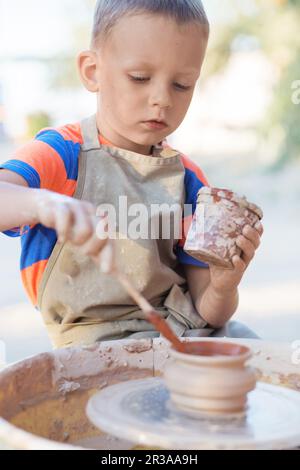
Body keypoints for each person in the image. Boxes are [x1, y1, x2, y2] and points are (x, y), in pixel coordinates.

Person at [0, 0, 263, 348]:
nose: (162, 98)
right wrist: (45, 204)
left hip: (183, 332)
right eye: (140, 78)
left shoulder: (187, 179)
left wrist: (224, 285)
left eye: (182, 84)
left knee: (254, 350)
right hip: (94, 344)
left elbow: (211, 312)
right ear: (92, 71)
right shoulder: (62, 154)